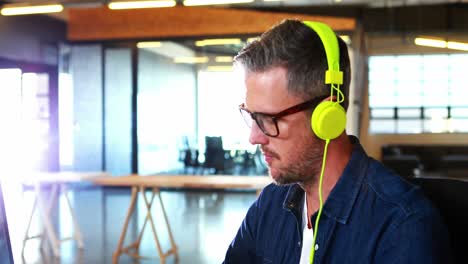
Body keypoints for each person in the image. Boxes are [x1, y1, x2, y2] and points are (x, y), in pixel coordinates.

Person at [223, 19, 452, 264]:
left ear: (327, 115)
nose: (253, 138)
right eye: (251, 116)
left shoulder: (401, 225)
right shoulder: (269, 205)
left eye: (268, 119)